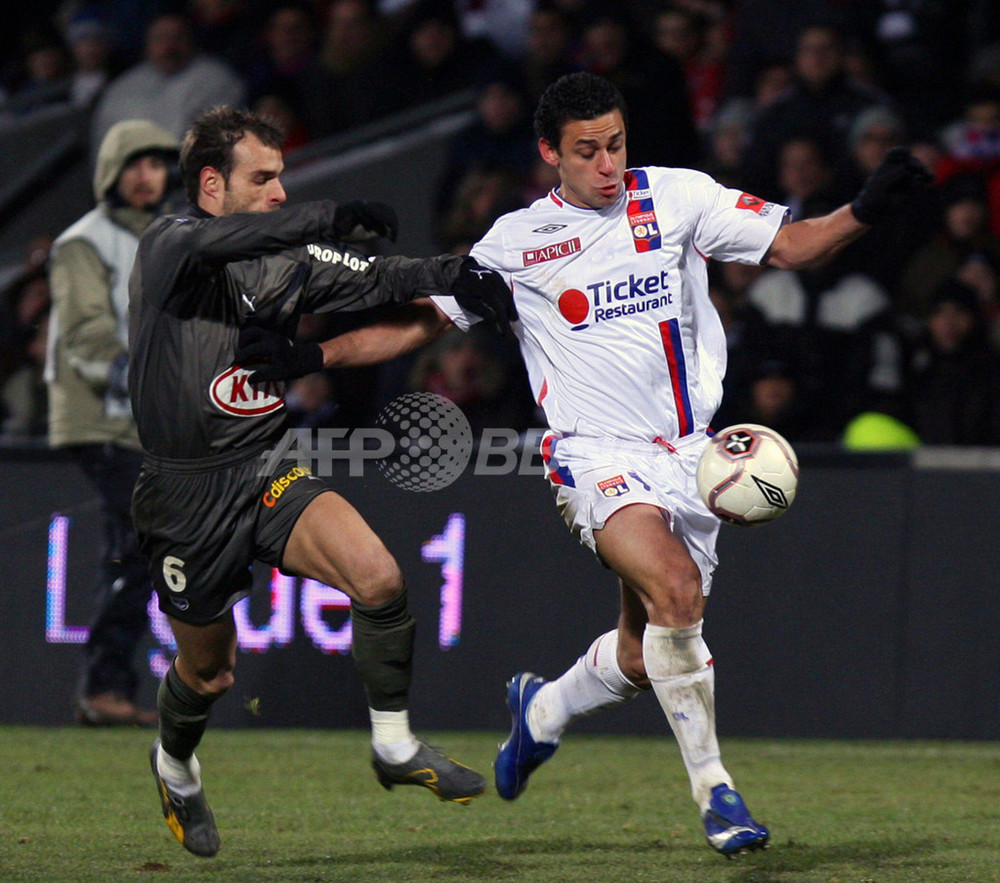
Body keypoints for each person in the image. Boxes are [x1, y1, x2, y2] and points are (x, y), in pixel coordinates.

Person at [250, 71, 932, 857]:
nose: (607, 164)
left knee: (647, 652)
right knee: (676, 589)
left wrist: (865, 208)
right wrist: (312, 354)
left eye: (615, 144)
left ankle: (541, 712)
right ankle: (718, 793)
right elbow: (416, 325)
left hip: (692, 455)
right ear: (550, 154)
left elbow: (791, 244)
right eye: (586, 151)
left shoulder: (679, 197)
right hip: (591, 454)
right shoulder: (516, 242)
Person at [130, 105, 513, 858]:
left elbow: (383, 276)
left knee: (376, 576)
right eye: (262, 178)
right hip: (183, 495)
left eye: (284, 178)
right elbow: (237, 237)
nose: (278, 192)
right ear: (211, 186)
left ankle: (395, 744)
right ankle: (174, 762)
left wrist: (464, 279)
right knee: (210, 673)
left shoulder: (290, 262)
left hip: (266, 465)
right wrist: (329, 214)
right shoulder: (169, 246)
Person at [45, 119, 181, 727]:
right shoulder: (84, 241)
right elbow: (84, 335)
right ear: (110, 174)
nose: (146, 175)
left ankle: (106, 689)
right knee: (137, 545)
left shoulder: (165, 236)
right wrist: (143, 373)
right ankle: (104, 687)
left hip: (139, 419)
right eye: (134, 164)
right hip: (99, 416)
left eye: (155, 163)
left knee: (135, 548)